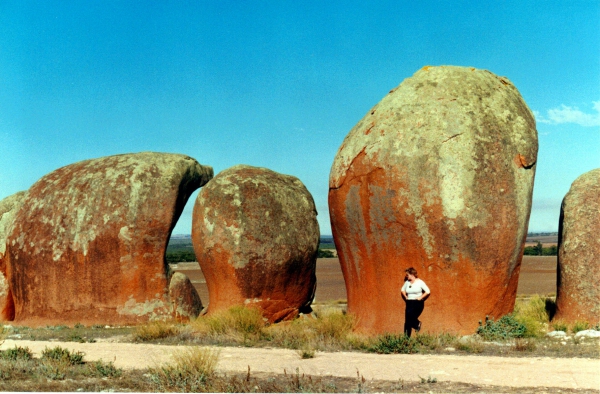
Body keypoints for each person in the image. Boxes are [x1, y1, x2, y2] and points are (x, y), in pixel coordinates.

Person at [401, 267, 430, 337]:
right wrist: (406, 297)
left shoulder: (420, 282)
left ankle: (417, 324)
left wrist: (420, 297)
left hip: (417, 303)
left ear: (412, 274)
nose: (406, 276)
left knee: (410, 318)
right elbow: (402, 290)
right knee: (407, 320)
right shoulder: (407, 283)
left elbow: (428, 291)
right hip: (409, 302)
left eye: (407, 275)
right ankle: (406, 339)